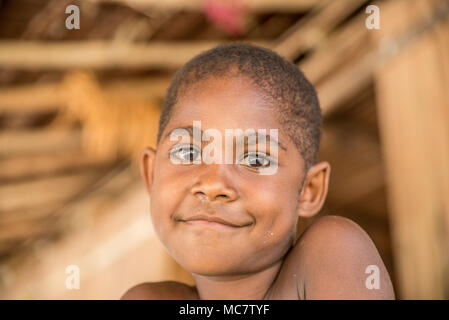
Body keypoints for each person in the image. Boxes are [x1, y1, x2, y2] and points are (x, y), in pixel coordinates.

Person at [121, 43, 395, 300]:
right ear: (151, 173)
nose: (214, 184)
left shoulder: (333, 251)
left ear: (308, 190)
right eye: (187, 153)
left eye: (255, 160)